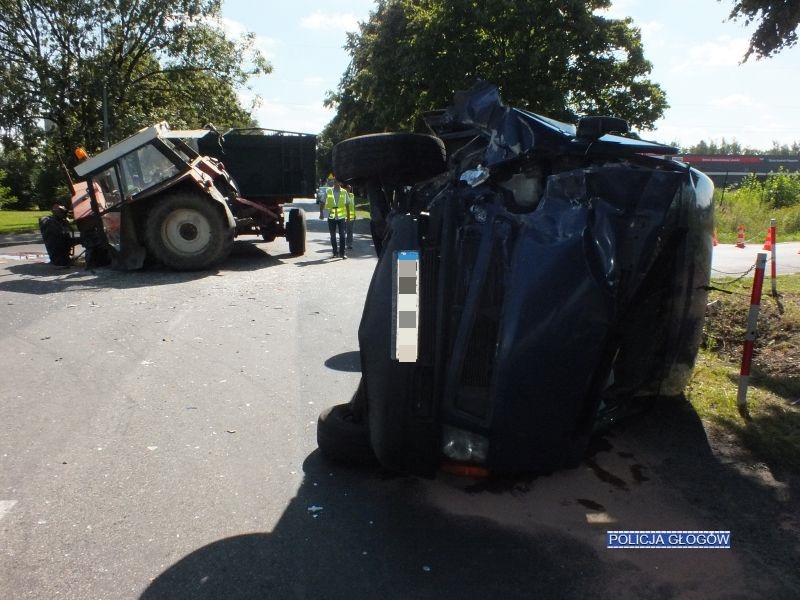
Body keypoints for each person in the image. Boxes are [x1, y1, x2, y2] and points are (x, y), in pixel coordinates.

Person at [324, 180, 353, 259]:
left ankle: (342, 253)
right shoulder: (328, 191)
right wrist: (322, 213)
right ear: (334, 183)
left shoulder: (344, 192)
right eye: (335, 182)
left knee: (342, 235)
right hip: (331, 216)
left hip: (341, 217)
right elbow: (323, 202)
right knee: (332, 235)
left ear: (341, 183)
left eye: (338, 182)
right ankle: (335, 253)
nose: (336, 183)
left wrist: (348, 217)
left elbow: (347, 205)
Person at [345, 184, 355, 249]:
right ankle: (344, 243)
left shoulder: (352, 195)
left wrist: (355, 214)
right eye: (348, 187)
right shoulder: (343, 195)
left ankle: (349, 244)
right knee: (344, 231)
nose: (349, 188)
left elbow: (353, 205)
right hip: (344, 216)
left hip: (352, 217)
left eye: (350, 187)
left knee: (350, 231)